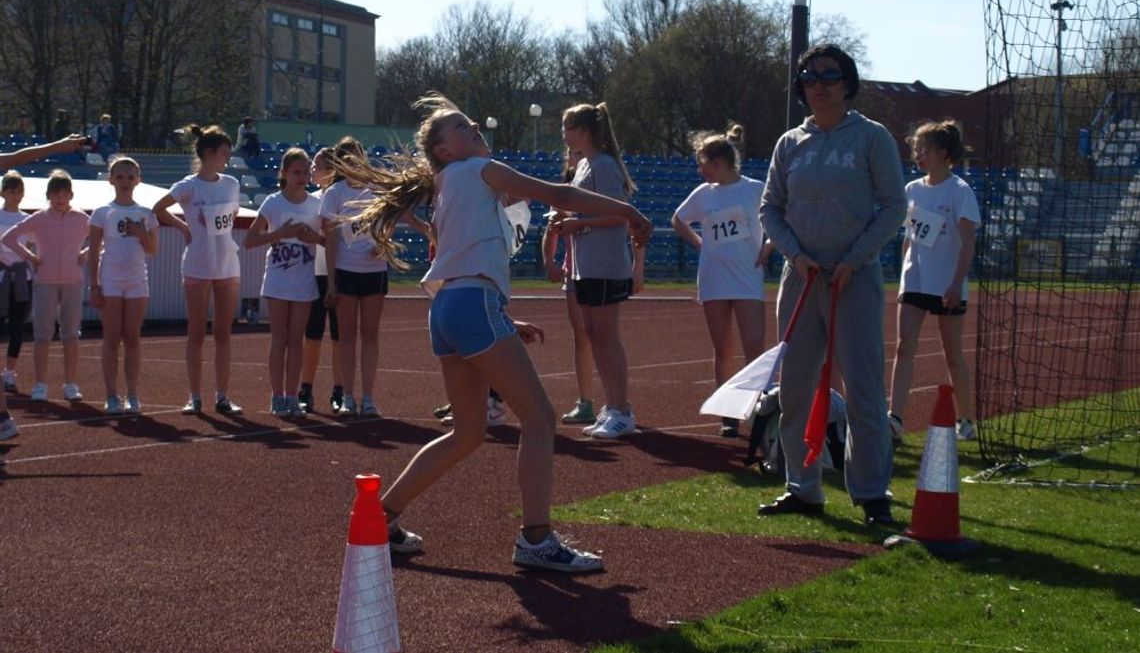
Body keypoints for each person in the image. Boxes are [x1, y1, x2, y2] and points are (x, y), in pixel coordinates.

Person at [338, 93, 652, 572]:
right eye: (462, 128)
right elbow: (561, 196)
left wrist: (499, 318)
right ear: (443, 149)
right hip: (471, 305)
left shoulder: (445, 183)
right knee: (541, 419)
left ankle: (381, 516)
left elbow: (456, 258)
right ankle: (536, 539)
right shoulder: (481, 171)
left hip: (448, 308)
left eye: (471, 124)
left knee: (467, 434)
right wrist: (628, 212)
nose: (474, 130)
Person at [757, 43, 907, 526]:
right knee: (796, 389)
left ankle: (871, 493)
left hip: (853, 281)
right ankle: (802, 487)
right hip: (801, 282)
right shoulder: (789, 144)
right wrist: (796, 256)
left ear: (847, 82)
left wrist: (855, 258)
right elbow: (769, 209)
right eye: (809, 77)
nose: (819, 84)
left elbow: (892, 206)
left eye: (829, 75)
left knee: (863, 391)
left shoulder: (872, 138)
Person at [672, 124, 774, 438]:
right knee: (723, 348)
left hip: (746, 276)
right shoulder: (704, 194)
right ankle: (728, 413)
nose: (700, 170)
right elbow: (678, 219)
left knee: (754, 344)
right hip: (715, 278)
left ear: (719, 163)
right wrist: (699, 243)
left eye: (702, 163)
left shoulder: (755, 189)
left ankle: (763, 409)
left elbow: (779, 216)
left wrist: (769, 245)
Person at [888, 120, 981, 442]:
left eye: (922, 149)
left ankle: (966, 419)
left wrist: (956, 283)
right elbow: (910, 235)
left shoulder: (959, 191)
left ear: (942, 153)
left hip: (946, 286)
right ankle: (895, 419)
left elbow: (967, 241)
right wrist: (905, 269)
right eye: (915, 149)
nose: (917, 155)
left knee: (952, 354)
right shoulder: (911, 190)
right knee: (904, 348)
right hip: (914, 282)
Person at [553, 102, 640, 439]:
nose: (563, 135)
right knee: (593, 333)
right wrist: (571, 222)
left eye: (567, 128)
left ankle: (621, 408)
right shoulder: (584, 166)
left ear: (584, 131)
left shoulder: (603, 165)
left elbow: (621, 215)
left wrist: (578, 223)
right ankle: (613, 406)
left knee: (605, 335)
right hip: (587, 262)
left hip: (604, 263)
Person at [153, 125, 244, 415]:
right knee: (196, 332)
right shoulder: (188, 186)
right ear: (208, 154)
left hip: (227, 263)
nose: (228, 160)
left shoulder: (231, 183)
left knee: (223, 333)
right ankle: (194, 396)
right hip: (198, 264)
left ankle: (223, 396)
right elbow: (158, 207)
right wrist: (183, 227)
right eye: (224, 154)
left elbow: (233, 213)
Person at [244, 148, 323, 417]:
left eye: (306, 172)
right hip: (278, 278)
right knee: (279, 338)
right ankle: (277, 396)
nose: (302, 177)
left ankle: (292, 395)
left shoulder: (316, 205)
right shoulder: (273, 203)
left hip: (303, 279)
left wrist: (314, 239)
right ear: (284, 174)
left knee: (296, 339)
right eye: (296, 172)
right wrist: (281, 233)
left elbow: (328, 241)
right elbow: (250, 240)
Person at [2, 169, 90, 404]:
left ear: (71, 195)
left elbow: (105, 238)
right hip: (45, 283)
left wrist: (84, 254)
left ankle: (70, 384)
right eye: (55, 194)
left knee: (71, 335)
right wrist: (32, 258)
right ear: (48, 195)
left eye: (64, 194)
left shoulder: (81, 218)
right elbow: (8, 238)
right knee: (42, 335)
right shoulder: (39, 218)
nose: (60, 198)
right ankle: (40, 384)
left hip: (72, 282)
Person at [321, 137, 388, 417]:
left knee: (370, 334)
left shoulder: (377, 189)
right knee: (346, 336)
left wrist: (381, 244)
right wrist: (332, 281)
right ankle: (348, 395)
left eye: (356, 158)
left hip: (374, 270)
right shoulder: (334, 194)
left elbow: (389, 223)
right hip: (347, 271)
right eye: (346, 160)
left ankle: (369, 397)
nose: (352, 164)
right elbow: (331, 238)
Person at [87, 156, 159, 414]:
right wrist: (94, 286)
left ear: (138, 180)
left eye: (130, 177)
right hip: (110, 282)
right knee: (111, 337)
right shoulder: (102, 213)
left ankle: (133, 394)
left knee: (133, 338)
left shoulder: (146, 214)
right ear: (111, 180)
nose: (125, 181)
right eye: (120, 176)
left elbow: (153, 250)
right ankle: (111, 395)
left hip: (137, 282)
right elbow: (93, 252)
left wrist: (141, 233)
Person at [542, 148, 598, 425]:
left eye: (579, 151)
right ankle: (586, 400)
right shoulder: (565, 191)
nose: (574, 157)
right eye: (571, 153)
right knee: (582, 336)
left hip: (600, 270)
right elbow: (552, 227)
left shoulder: (601, 187)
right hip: (574, 272)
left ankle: (615, 401)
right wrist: (549, 260)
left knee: (602, 336)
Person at [298, 147, 341, 413]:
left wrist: (320, 239)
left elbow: (340, 242)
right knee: (312, 335)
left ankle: (339, 389)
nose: (313, 170)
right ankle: (306, 388)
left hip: (337, 273)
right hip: (313, 274)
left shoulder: (340, 199)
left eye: (318, 166)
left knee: (339, 336)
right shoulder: (310, 201)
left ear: (332, 170)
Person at [0, 172, 32, 394]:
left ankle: (9, 373)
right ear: (3, 192)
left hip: (22, 278)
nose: (16, 194)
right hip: (0, 276)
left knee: (17, 327)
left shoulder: (27, 220)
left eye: (19, 190)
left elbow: (33, 246)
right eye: (11, 189)